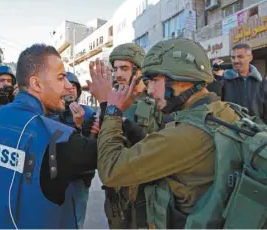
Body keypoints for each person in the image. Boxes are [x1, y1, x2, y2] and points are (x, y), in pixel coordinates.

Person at [89, 38, 248, 228]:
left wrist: (112, 110)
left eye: (155, 80)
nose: (150, 89)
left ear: (181, 79)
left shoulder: (187, 133)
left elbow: (111, 171)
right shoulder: (226, 111)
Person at [0, 44, 98, 229]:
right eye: (61, 77)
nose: (67, 86)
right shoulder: (57, 137)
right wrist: (109, 106)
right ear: (36, 84)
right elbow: (113, 159)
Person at [87, 43, 158, 229]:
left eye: (124, 68)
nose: (118, 74)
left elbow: (156, 147)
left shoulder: (155, 103)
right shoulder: (113, 100)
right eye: (115, 68)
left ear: (139, 70)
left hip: (144, 196)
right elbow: (103, 152)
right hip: (116, 196)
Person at [48, 71, 99, 228]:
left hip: (79, 178)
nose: (70, 90)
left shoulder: (89, 112)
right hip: (54, 177)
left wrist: (86, 128)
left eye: (74, 87)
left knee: (76, 220)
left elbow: (90, 148)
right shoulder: (51, 112)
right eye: (66, 86)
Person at [214, 43, 266, 122]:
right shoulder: (224, 81)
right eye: (233, 57)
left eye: (240, 57)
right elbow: (215, 104)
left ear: (250, 57)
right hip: (231, 131)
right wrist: (218, 78)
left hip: (256, 131)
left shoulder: (261, 82)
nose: (235, 61)